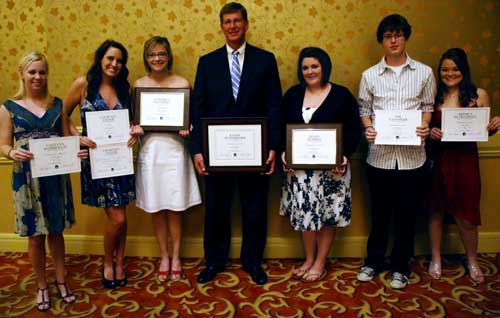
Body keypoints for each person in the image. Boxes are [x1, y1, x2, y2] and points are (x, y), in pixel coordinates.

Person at [191, 2, 282, 285]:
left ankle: (253, 261)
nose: (232, 26)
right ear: (221, 26)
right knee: (216, 209)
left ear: (246, 23)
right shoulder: (207, 63)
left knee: (254, 208)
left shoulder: (265, 60)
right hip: (216, 154)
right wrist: (197, 150)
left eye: (237, 21)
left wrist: (272, 148)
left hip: (255, 153)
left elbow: (274, 106)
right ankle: (214, 262)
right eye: (227, 21)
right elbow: (198, 109)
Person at [356, 14, 436, 289]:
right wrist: (368, 128)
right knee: (379, 213)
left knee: (406, 214)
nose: (393, 40)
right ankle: (373, 261)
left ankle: (401, 267)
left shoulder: (424, 72)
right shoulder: (369, 75)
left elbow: (428, 106)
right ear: (381, 41)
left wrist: (425, 126)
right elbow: (364, 109)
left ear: (406, 37)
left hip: (413, 158)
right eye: (388, 35)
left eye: (398, 34)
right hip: (380, 157)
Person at [0, 52, 82, 311]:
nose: (37, 77)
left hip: (55, 176)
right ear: (21, 73)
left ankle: (61, 280)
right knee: (35, 236)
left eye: (42, 72)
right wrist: (11, 152)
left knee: (56, 232)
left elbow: (70, 137)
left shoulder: (57, 105)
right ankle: (42, 286)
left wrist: (76, 150)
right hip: (26, 178)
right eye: (32, 72)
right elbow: (3, 144)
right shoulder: (8, 108)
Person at [280, 47, 361, 282]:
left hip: (332, 170)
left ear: (324, 67)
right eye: (305, 67)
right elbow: (281, 127)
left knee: (327, 216)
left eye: (314, 66)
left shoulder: (342, 95)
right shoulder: (293, 95)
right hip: (300, 172)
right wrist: (285, 153)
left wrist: (344, 155)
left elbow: (354, 130)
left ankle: (320, 261)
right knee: (306, 214)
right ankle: (308, 258)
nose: (310, 71)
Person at [63, 40, 139, 289]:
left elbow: (133, 122)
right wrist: (76, 138)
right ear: (100, 59)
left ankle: (119, 262)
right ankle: (108, 261)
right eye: (110, 59)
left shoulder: (123, 88)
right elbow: (61, 116)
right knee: (116, 218)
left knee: (123, 217)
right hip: (97, 162)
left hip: (121, 159)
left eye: (119, 60)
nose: (114, 64)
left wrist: (134, 132)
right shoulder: (83, 84)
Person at [427, 48, 500, 283]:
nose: (450, 73)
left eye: (455, 69)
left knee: (467, 215)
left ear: (464, 70)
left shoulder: (479, 95)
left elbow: (484, 133)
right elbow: (423, 128)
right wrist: (430, 132)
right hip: (437, 159)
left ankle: (472, 260)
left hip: (466, 160)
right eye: (445, 69)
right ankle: (435, 258)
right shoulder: (432, 95)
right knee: (435, 211)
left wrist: (493, 127)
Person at [134, 36, 201, 282]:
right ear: (146, 58)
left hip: (175, 151)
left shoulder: (182, 83)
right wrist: (136, 127)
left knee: (174, 207)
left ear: (168, 56)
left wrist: (187, 127)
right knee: (156, 207)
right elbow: (135, 119)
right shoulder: (139, 84)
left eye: (161, 54)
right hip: (151, 151)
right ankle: (163, 255)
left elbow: (190, 118)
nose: (157, 59)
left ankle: (176, 256)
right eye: (152, 55)